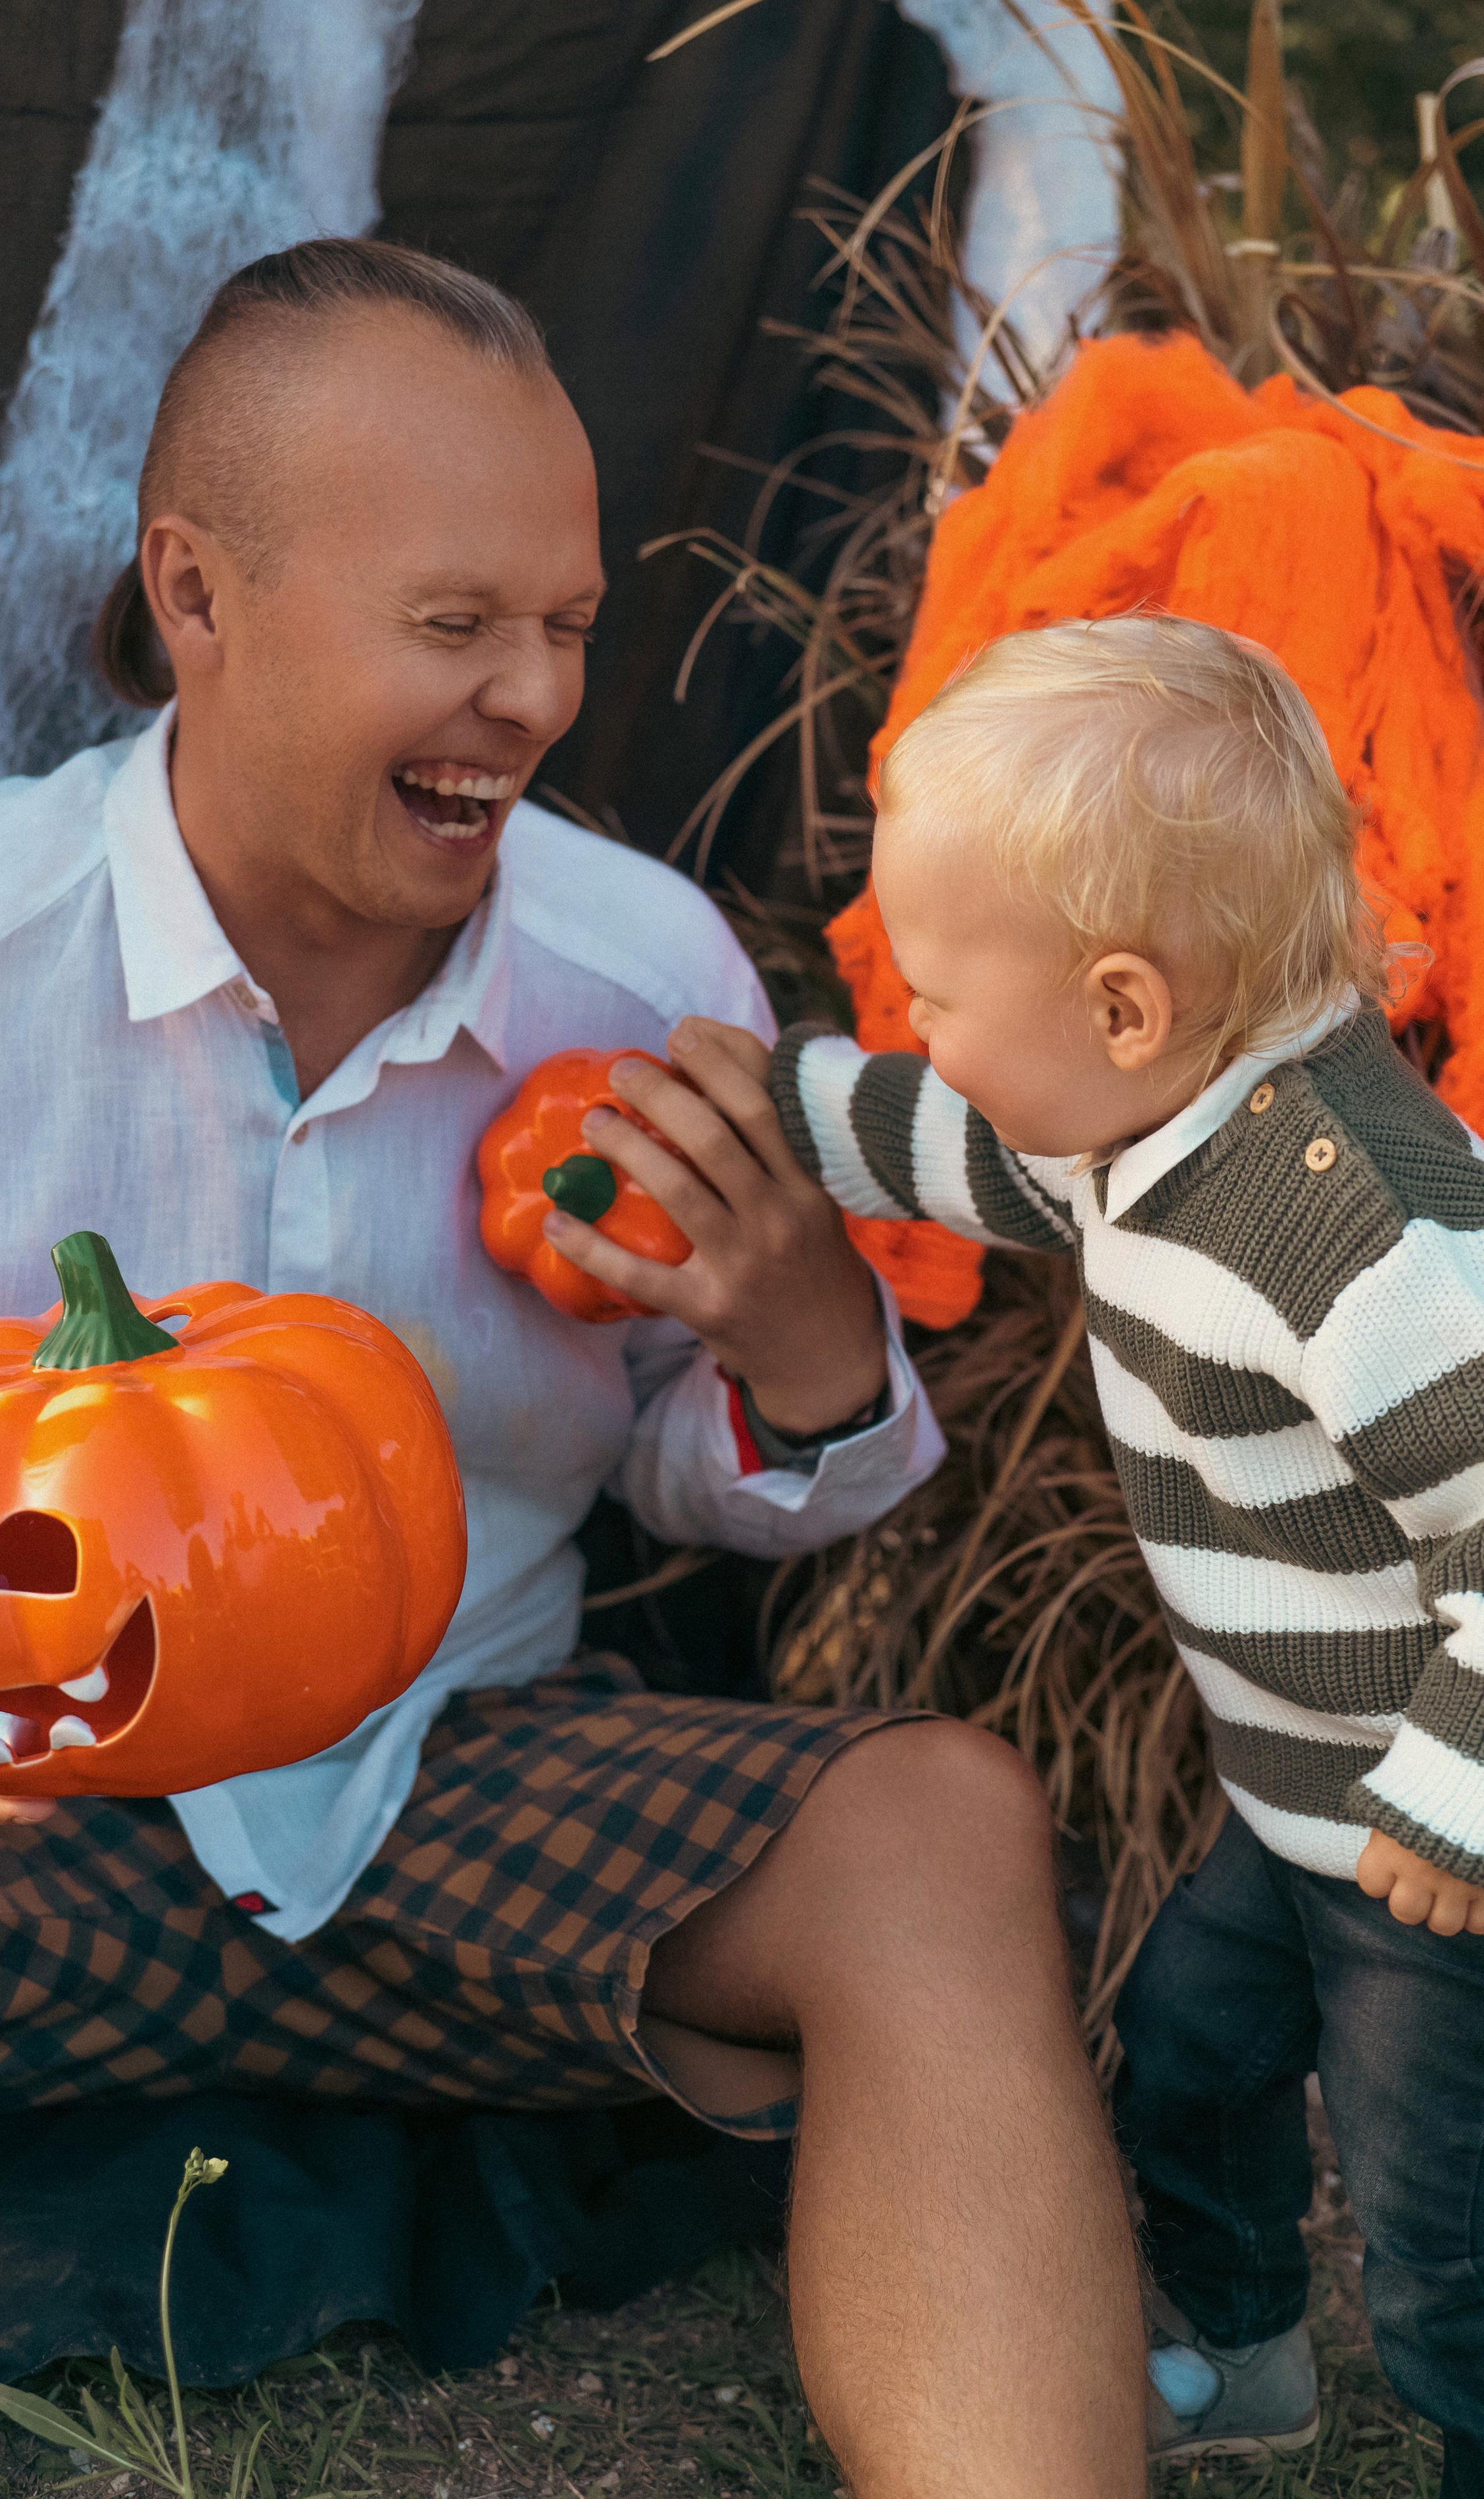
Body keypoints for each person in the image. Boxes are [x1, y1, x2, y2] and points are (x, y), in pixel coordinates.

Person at [0, 242, 1144, 2497]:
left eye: (570, 628)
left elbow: (709, 1484)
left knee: (939, 1831)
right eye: (456, 627)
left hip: (458, 1791)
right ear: (197, 596)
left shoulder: (640, 976)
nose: (532, 694)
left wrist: (809, 1353)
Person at [743, 610, 1484, 2492]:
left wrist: (1455, 1806)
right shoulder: (1147, 1120)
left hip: (1433, 1857)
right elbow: (984, 1152)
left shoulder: (1365, 1241)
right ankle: (1246, 2357)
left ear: (1126, 1007)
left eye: (936, 997)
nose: (920, 1026)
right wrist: (781, 1100)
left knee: (1436, 2212)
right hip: (1295, 1799)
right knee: (1194, 2049)